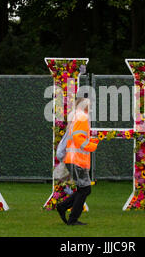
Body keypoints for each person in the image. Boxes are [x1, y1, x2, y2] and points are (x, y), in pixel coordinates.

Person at [57, 97, 99, 226]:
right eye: (89, 105)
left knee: (84, 189)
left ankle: (64, 208)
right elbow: (78, 138)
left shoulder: (75, 117)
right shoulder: (82, 117)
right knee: (85, 190)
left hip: (73, 158)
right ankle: (71, 218)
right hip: (77, 160)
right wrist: (92, 144)